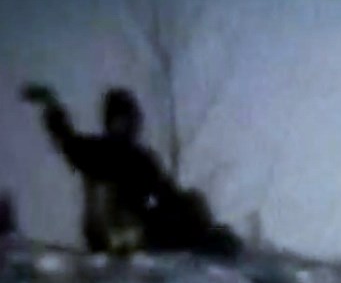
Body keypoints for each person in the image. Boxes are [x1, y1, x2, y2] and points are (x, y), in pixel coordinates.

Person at [20, 84, 241, 257]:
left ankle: (211, 245)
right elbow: (66, 138)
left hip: (137, 231)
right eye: (117, 120)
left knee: (188, 205)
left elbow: (166, 192)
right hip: (110, 235)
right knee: (153, 221)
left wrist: (191, 208)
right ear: (109, 121)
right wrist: (50, 103)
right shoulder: (96, 152)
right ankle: (201, 243)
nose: (121, 126)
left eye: (125, 120)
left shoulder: (141, 159)